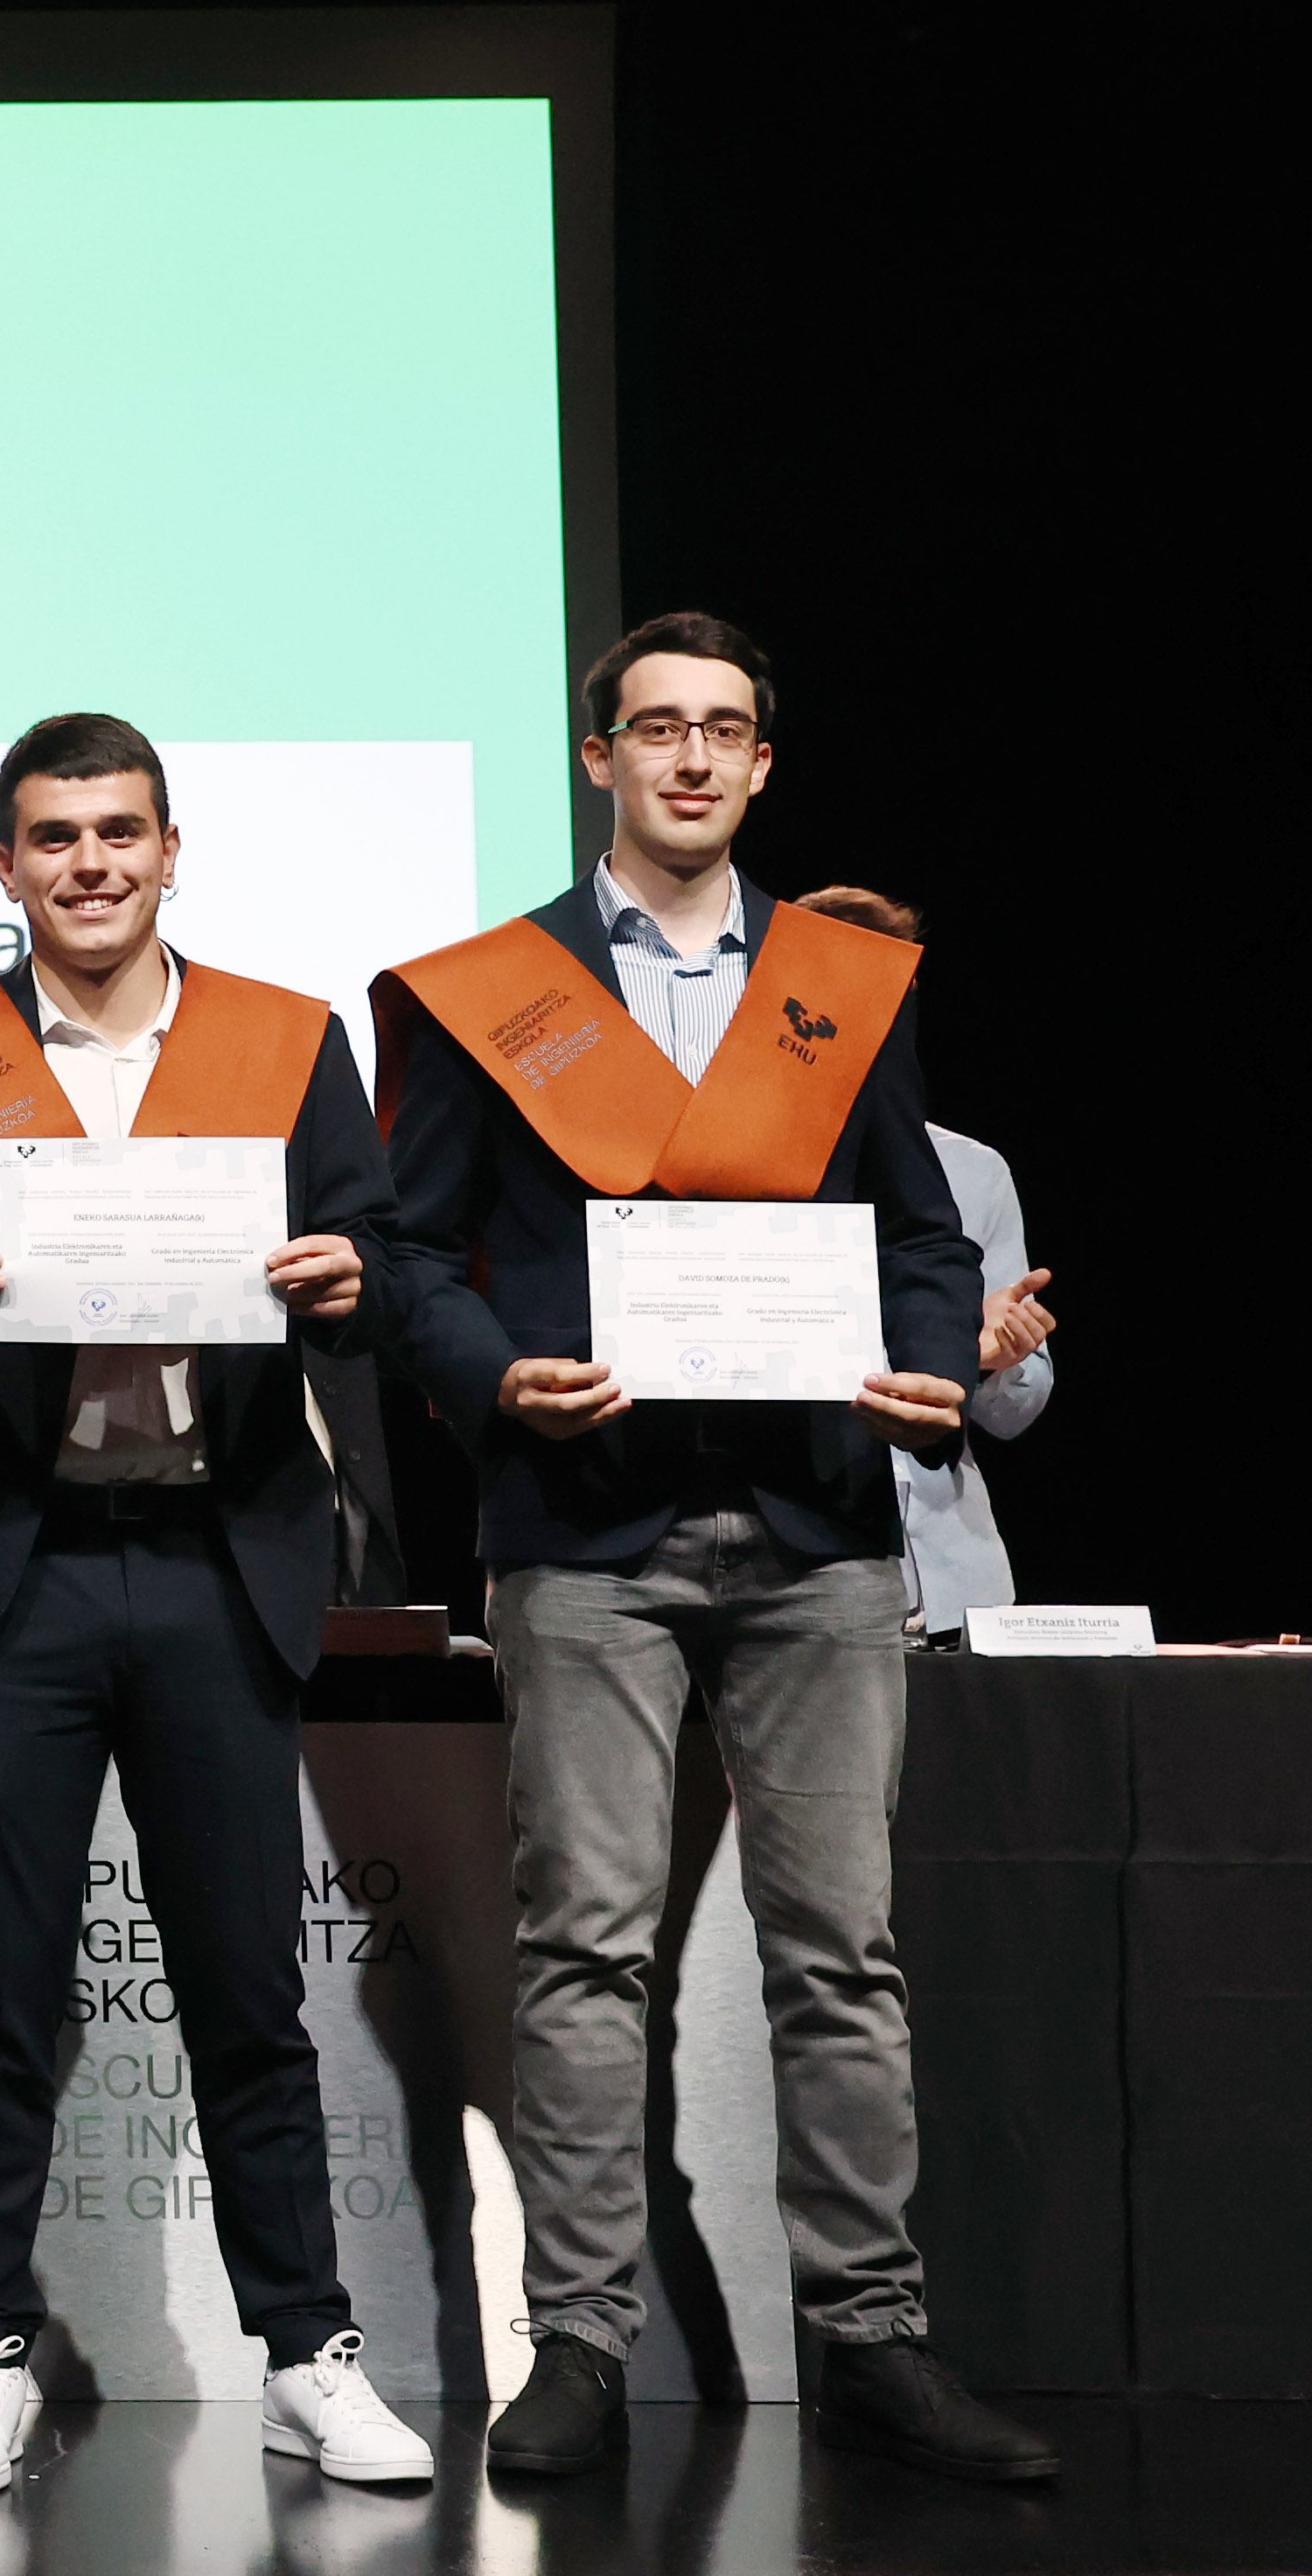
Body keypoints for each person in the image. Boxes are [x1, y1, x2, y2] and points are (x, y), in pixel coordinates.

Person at [373, 613, 1055, 2483]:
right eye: (656, 726)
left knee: (841, 1952)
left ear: (761, 764)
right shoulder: (487, 990)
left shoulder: (843, 981)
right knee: (585, 1949)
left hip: (821, 1520)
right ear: (599, 754)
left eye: (724, 729)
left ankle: (874, 2341)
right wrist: (493, 1377)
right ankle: (579, 2345)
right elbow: (413, 1254)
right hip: (585, 1526)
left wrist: (930, 1361)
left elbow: (924, 1229)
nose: (690, 756)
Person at [0, 713, 435, 2494]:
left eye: (117, 832)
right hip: (13, 1566)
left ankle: (307, 2349)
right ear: (2, 864)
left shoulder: (283, 1037)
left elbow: (391, 1268)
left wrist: (347, 1281)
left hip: (213, 1557)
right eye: (53, 836)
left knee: (247, 1984)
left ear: (172, 850)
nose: (88, 863)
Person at [786, 889, 1058, 1638]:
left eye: (893, 990)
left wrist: (993, 1359)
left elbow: (1015, 1411)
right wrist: (946, 1351)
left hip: (955, 1576)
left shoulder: (972, 1170)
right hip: (800, 1573)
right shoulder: (745, 1161)